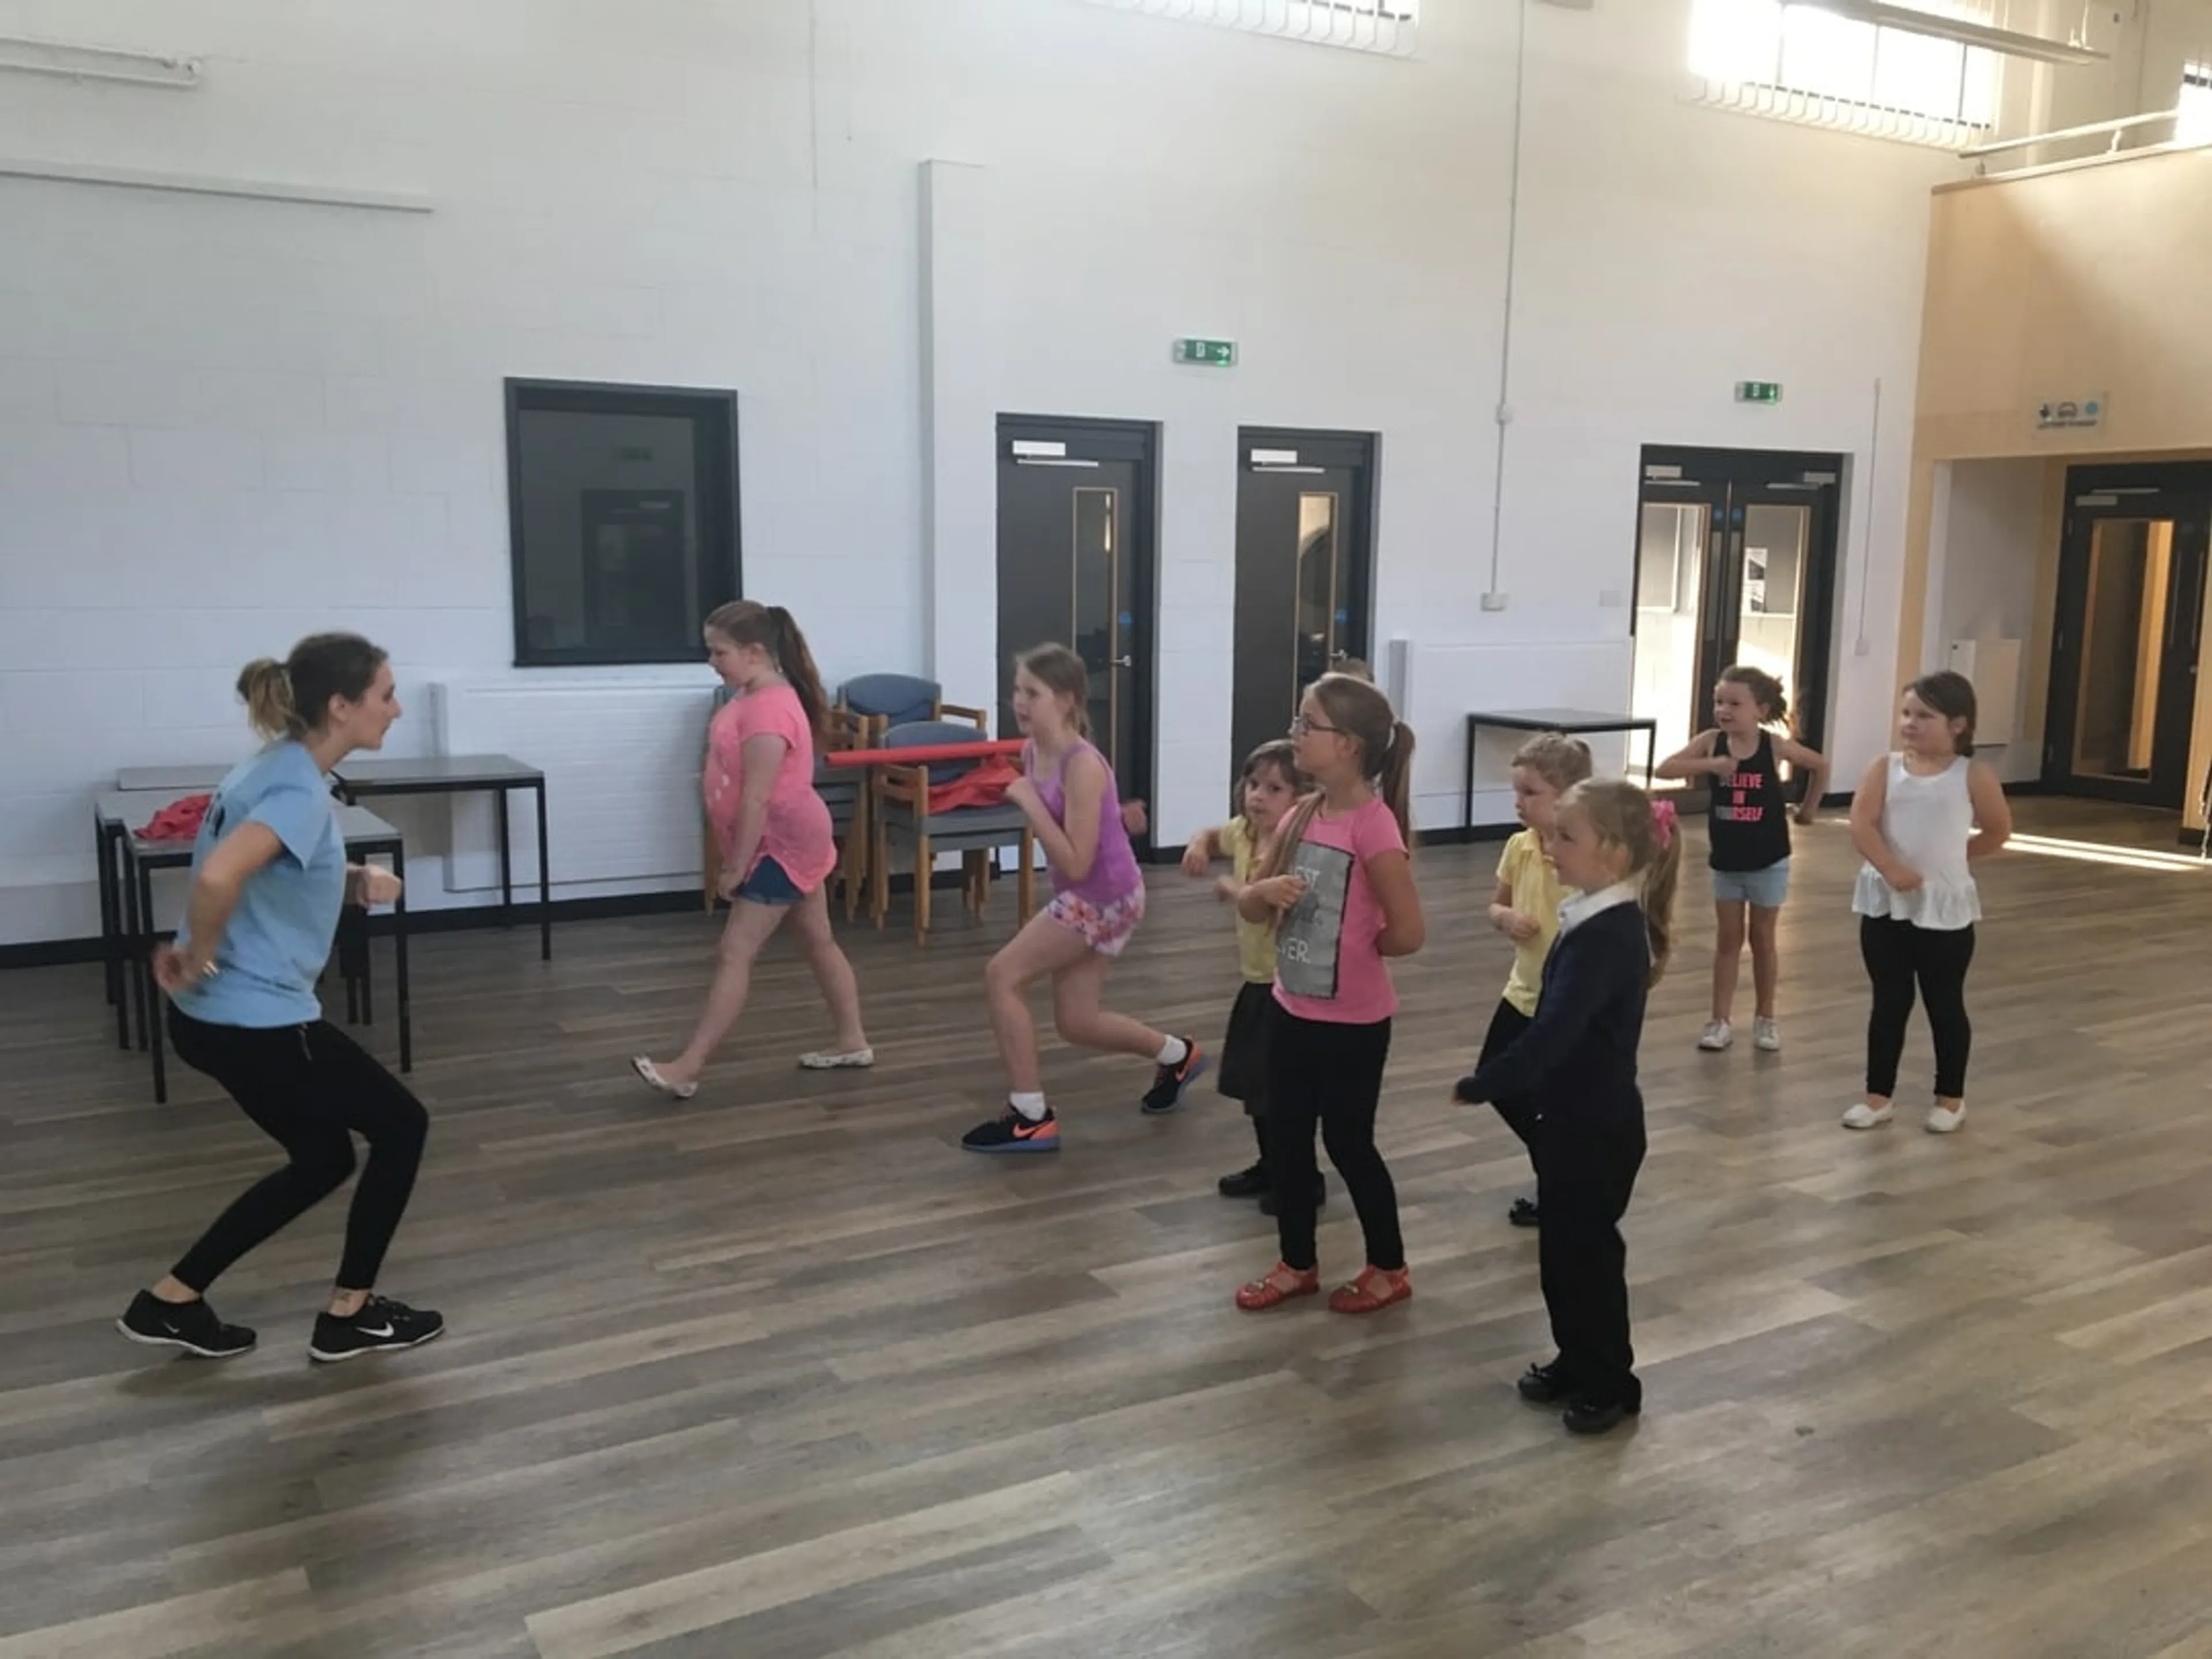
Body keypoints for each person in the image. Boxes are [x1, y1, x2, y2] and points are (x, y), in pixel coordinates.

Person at [116, 633, 442, 1364]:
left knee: (323, 1158)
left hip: (211, 1021)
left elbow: (261, 866)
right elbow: (217, 878)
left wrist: (347, 877)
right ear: (341, 705)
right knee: (402, 1126)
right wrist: (199, 952)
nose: (395, 709)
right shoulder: (297, 788)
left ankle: (173, 1301)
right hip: (255, 1020)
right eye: (385, 696)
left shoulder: (276, 767)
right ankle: (349, 1317)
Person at [1453, 779, 1680, 1435]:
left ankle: (1613, 1380)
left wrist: (1489, 1080)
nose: (1549, 847)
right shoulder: (1591, 916)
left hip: (1598, 1129)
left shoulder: (1610, 936)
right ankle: (1577, 1359)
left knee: (1589, 1261)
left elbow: (1556, 1031)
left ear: (1612, 852)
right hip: (1570, 1123)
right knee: (1562, 1255)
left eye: (1565, 837)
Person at [961, 644, 1203, 1153]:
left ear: (1067, 699)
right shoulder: (1034, 751)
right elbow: (1086, 832)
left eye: (1033, 693)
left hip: (1102, 897)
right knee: (1077, 1022)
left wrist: (1028, 801)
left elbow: (1075, 861)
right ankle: (1177, 1055)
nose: (1019, 702)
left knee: (1002, 976)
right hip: (1097, 892)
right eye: (1017, 691)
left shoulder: (1082, 764)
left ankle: (1030, 1114)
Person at [1233, 673, 1425, 1315]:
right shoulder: (1300, 813)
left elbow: (1409, 932)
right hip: (1291, 1010)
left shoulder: (1375, 828)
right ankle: (1297, 1262)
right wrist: (1264, 896)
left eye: (1304, 724)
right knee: (1287, 1140)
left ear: (1345, 745)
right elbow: (1254, 907)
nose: (1295, 735)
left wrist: (1355, 948)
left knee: (1348, 1145)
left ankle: (1389, 1266)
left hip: (1354, 1025)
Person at [632, 601, 871, 1100]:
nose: (712, 660)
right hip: (785, 840)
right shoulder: (749, 694)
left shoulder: (769, 709)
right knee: (818, 941)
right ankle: (852, 1041)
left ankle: (688, 1067)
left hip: (780, 847)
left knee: (734, 951)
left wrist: (736, 866)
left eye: (719, 651)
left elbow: (758, 796)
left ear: (755, 652)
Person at [1844, 671, 2010, 1134]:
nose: (1911, 724)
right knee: (1889, 1001)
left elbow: (1998, 830)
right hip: (1885, 905)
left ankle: (1950, 1098)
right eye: (1906, 714)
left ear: (1958, 724)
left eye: (1924, 716)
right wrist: (1891, 869)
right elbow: (1862, 822)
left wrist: (1954, 862)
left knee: (1944, 1002)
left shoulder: (1973, 774)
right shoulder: (1884, 767)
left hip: (1944, 909)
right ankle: (1878, 1096)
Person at [1656, 666, 1827, 1053]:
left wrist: (1809, 810)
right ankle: (1720, 1020)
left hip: (1769, 859)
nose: (1724, 710)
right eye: (1719, 702)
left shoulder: (1774, 746)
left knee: (1763, 939)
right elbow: (1665, 768)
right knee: (1728, 940)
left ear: (1760, 710)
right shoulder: (1711, 742)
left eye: (1735, 703)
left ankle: (1766, 1018)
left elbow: (1820, 765)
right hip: (1727, 861)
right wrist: (1710, 766)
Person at [1181, 739, 1315, 1213]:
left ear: (1298, 800)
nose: (1257, 796)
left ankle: (1301, 1177)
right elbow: (1213, 834)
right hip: (1255, 980)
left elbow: (1267, 910)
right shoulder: (1243, 832)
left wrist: (1236, 889)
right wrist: (1199, 844)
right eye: (1253, 784)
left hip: (1287, 985)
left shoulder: (1300, 847)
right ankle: (1271, 1163)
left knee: (1279, 1090)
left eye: (1273, 788)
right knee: (1255, 1087)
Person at [1481, 732, 1592, 1228]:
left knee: (1558, 1096)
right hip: (1522, 989)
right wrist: (1504, 919)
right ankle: (1560, 1166)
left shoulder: (1584, 855)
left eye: (1531, 793)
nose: (1519, 803)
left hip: (1565, 1002)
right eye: (1517, 792)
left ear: (1566, 798)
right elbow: (1496, 902)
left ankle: (1561, 1180)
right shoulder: (1519, 847)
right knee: (1497, 1079)